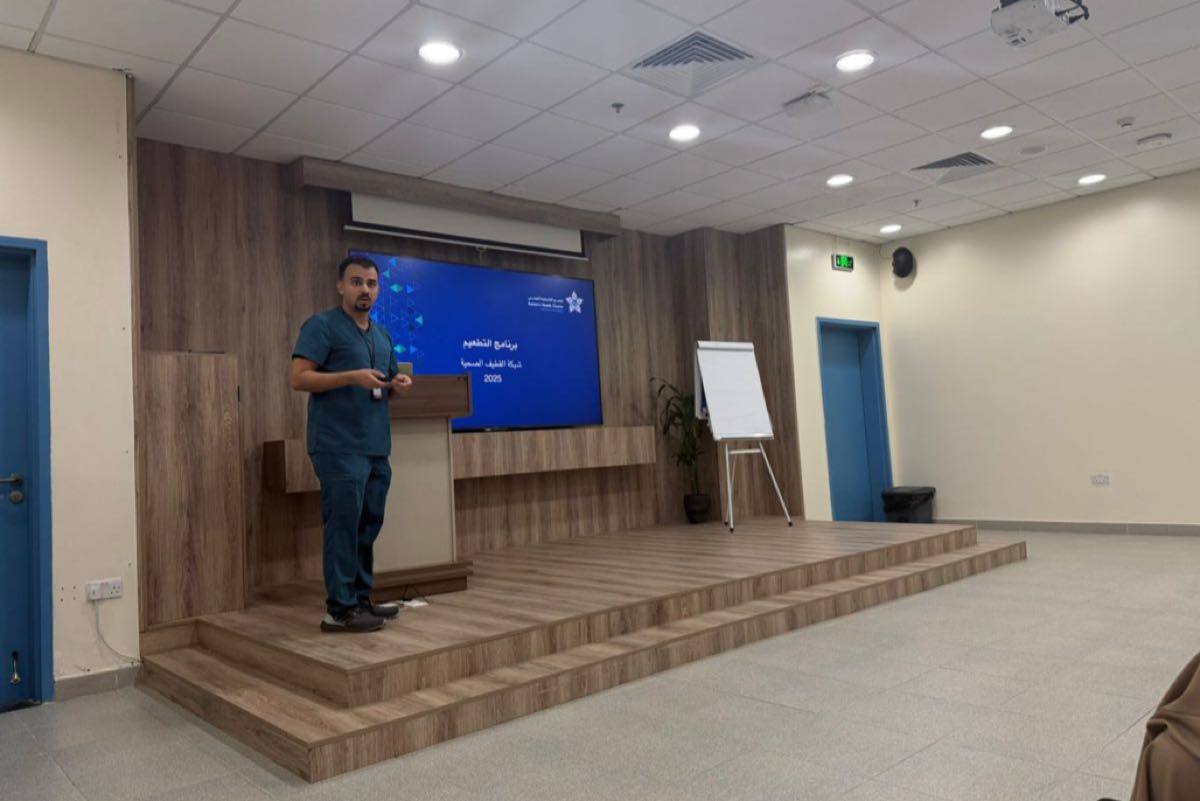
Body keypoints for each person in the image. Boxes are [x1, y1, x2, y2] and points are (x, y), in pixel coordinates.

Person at [290, 255, 413, 633]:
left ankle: (360, 599)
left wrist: (398, 385)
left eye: (371, 283)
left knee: (367, 524)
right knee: (343, 525)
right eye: (357, 282)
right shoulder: (322, 326)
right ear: (341, 286)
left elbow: (386, 382)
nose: (365, 290)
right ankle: (339, 610)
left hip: (376, 446)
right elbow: (299, 378)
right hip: (338, 445)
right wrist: (350, 377)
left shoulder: (382, 335)